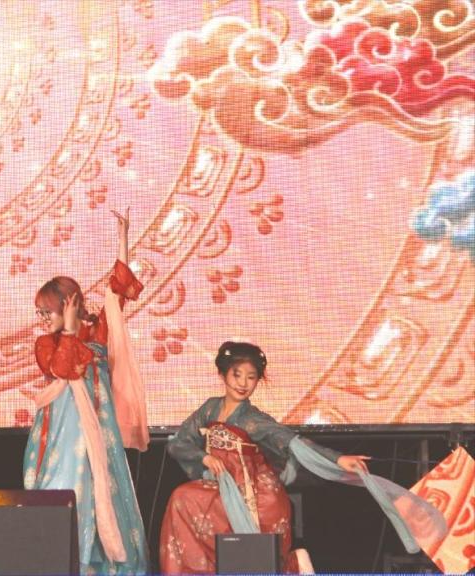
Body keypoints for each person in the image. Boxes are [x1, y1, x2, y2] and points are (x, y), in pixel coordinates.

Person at [160, 341, 446, 574]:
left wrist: (337, 460)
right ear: (223, 375)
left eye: (251, 377)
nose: (243, 383)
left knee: (251, 555)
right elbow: (179, 442)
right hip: (223, 487)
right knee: (182, 499)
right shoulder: (209, 409)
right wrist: (204, 458)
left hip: (256, 495)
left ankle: (295, 564)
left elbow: (293, 442)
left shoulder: (253, 419)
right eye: (237, 375)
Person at [23, 208, 151, 574]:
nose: (43, 319)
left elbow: (118, 292)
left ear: (70, 304)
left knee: (101, 487)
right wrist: (65, 331)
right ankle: (63, 560)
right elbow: (63, 369)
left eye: (48, 311)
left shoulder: (98, 332)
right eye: (40, 312)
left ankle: (100, 565)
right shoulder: (46, 343)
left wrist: (123, 240)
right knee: (68, 482)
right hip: (63, 431)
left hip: (99, 423)